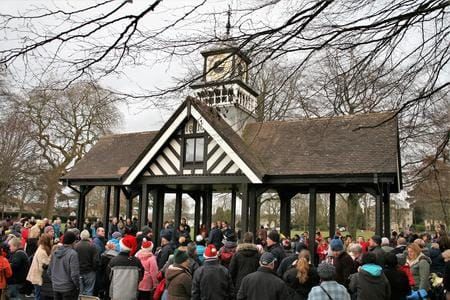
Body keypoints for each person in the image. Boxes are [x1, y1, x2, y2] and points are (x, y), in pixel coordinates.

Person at [107, 235, 144, 300]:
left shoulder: (114, 261)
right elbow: (141, 277)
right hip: (132, 294)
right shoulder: (137, 262)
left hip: (116, 294)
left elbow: (108, 276)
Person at [48, 231, 80, 300]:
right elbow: (74, 274)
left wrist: (55, 282)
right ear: (73, 242)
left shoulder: (55, 253)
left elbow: (49, 271)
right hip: (68, 288)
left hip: (56, 287)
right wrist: (77, 285)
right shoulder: (73, 254)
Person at [27, 234, 52, 300]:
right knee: (39, 296)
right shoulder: (42, 251)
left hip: (36, 275)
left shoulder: (41, 248)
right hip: (38, 276)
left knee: (38, 294)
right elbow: (43, 266)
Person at [75, 230, 98, 296]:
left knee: (80, 292)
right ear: (88, 237)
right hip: (90, 272)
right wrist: (94, 269)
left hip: (79, 271)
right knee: (89, 291)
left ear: (80, 236)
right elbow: (96, 260)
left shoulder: (76, 246)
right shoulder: (93, 246)